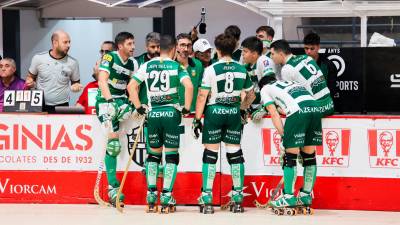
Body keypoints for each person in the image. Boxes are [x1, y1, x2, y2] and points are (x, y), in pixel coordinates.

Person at [127, 34, 193, 213]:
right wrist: (186, 108)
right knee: (171, 156)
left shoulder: (147, 65)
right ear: (173, 49)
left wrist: (139, 107)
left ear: (159, 48)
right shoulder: (177, 66)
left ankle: (150, 194)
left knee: (153, 156)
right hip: (171, 113)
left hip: (153, 113)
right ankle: (166, 195)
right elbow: (189, 86)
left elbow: (131, 86)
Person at [192, 33, 253, 214]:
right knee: (235, 153)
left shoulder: (210, 69)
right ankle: (237, 198)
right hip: (233, 111)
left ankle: (207, 197)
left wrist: (197, 119)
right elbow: (251, 95)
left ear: (217, 50)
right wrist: (242, 108)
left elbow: (203, 95)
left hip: (214, 111)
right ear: (234, 49)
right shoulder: (242, 69)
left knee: (210, 154)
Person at [256, 75, 321, 212]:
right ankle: (305, 196)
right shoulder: (289, 83)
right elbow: (285, 106)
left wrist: (283, 136)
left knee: (289, 157)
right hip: (315, 108)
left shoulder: (265, 89)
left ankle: (288, 196)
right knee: (309, 157)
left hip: (298, 111)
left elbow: (274, 114)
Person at [95, 31, 139, 207]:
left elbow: (133, 86)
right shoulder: (109, 57)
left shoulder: (134, 63)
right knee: (113, 145)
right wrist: (111, 101)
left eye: (133, 43)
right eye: (129, 44)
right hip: (105, 100)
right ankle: (113, 188)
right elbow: (102, 81)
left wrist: (134, 105)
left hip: (122, 101)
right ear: (120, 46)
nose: (133, 47)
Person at [270, 39, 334, 117]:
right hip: (329, 104)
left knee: (277, 108)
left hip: (316, 109)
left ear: (281, 54)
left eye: (272, 54)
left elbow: (289, 99)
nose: (271, 57)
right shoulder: (307, 57)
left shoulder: (286, 69)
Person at [25, 30, 82, 113]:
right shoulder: (38, 58)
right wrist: (30, 82)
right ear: (55, 43)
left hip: (62, 105)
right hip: (39, 104)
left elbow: (76, 83)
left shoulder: (73, 62)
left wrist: (76, 87)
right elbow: (30, 77)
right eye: (65, 42)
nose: (69, 45)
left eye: (69, 42)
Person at [241, 36, 276, 121]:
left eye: (245, 51)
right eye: (242, 51)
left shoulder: (263, 60)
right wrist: (243, 108)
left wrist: (265, 108)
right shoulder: (246, 67)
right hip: (254, 109)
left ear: (254, 53)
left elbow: (271, 85)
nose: (242, 54)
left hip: (268, 108)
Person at [77, 41, 116, 114]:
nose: (104, 54)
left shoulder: (118, 85)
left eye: (107, 51)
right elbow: (77, 108)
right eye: (102, 51)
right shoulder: (90, 86)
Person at [303, 32, 338, 106]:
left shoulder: (328, 65)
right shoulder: (300, 64)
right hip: (304, 103)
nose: (308, 51)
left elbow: (332, 89)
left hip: (324, 103)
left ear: (318, 47)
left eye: (312, 48)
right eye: (306, 48)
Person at [176, 33, 204, 113]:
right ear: (176, 46)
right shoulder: (170, 65)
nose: (186, 49)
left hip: (193, 111)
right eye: (182, 45)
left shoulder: (198, 64)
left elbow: (201, 90)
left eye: (189, 45)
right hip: (174, 112)